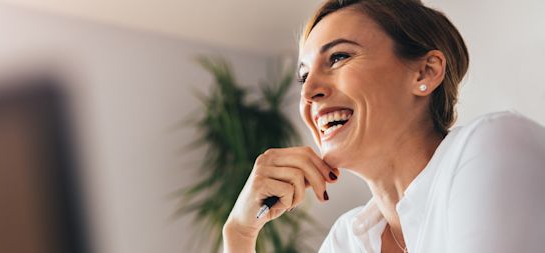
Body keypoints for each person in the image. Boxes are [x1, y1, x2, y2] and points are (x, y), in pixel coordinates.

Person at [222, 0, 545, 252]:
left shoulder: (495, 144)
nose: (308, 92)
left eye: (338, 57)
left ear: (425, 72)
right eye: (304, 76)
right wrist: (239, 233)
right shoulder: (349, 238)